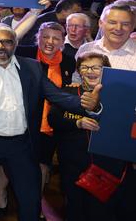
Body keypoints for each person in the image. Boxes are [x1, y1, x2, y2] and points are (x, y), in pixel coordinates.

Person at [0, 23, 102, 220]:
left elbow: (58, 96)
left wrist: (88, 105)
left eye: (6, 41)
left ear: (15, 43)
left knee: (30, 199)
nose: (0, 46)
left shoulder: (33, 67)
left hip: (21, 145)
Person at [49, 52, 135, 220]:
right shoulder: (68, 92)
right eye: (85, 67)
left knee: (101, 211)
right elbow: (53, 119)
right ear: (79, 72)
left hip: (107, 167)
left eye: (97, 67)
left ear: (107, 70)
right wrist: (77, 123)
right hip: (73, 164)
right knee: (75, 208)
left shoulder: (118, 96)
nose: (91, 71)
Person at [76, 3, 136, 71]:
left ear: (133, 26)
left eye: (125, 24)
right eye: (112, 22)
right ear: (100, 23)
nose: (118, 28)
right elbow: (77, 79)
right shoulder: (85, 49)